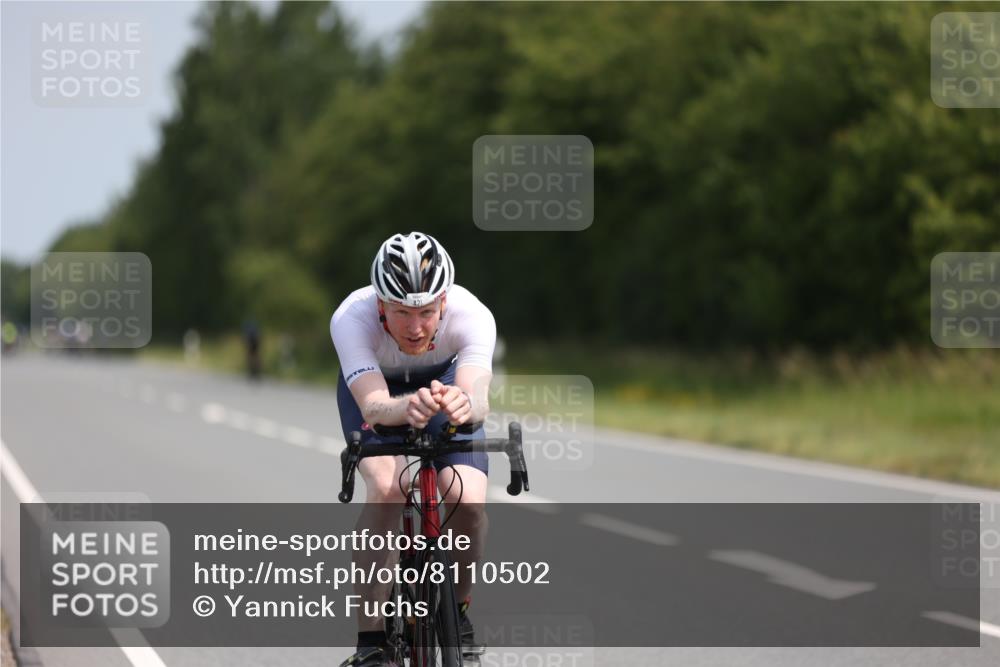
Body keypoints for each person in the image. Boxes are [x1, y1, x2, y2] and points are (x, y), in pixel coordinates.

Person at [331, 232, 495, 667]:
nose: (416, 327)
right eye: (401, 312)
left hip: (443, 387)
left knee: (466, 499)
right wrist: (407, 405)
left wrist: (463, 403)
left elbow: (478, 398)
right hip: (378, 393)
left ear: (444, 302)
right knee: (386, 490)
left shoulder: (472, 314)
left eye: (425, 312)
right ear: (380, 304)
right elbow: (374, 405)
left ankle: (457, 612)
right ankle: (371, 640)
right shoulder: (351, 316)